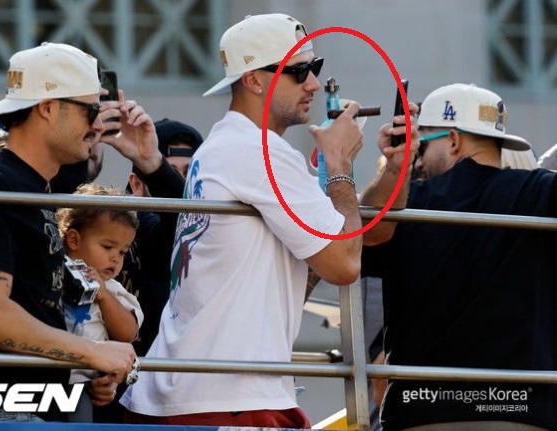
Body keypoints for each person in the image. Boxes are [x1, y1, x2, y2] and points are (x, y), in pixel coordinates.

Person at [122, 13, 415, 428]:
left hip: (204, 391)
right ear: (254, 80)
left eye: (315, 68)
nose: (313, 83)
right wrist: (339, 163)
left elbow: (357, 236)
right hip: (227, 396)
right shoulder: (261, 153)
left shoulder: (229, 144)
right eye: (298, 72)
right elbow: (345, 263)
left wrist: (393, 168)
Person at [0, 42, 138, 422]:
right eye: (89, 110)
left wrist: (84, 368)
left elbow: (34, 307)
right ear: (47, 108)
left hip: (28, 407)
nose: (96, 124)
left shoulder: (28, 184)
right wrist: (90, 352)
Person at [361, 83, 557, 431]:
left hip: (420, 412)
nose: (418, 159)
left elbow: (359, 237)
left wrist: (394, 169)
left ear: (453, 140)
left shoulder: (410, 206)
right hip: (521, 411)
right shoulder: (539, 193)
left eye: (422, 146)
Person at [56, 183, 144, 423]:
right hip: (43, 373)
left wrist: (104, 296)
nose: (115, 258)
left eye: (123, 252)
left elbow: (127, 332)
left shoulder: (113, 289)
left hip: (85, 382)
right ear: (73, 240)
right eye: (107, 247)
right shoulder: (51, 273)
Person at [120, 118, 202, 355]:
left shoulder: (218, 232)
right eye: (168, 173)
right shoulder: (119, 226)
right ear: (136, 185)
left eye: (191, 174)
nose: (182, 185)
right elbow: (174, 226)